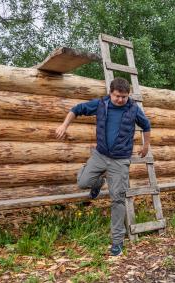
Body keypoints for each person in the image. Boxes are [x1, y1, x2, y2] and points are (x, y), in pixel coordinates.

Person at [55, 77, 151, 256]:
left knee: (117, 198)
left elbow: (146, 125)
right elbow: (76, 109)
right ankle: (98, 181)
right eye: (117, 96)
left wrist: (145, 146)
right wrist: (64, 125)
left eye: (124, 96)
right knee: (83, 182)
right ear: (110, 93)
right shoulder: (100, 104)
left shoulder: (133, 109)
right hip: (100, 155)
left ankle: (117, 241)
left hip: (120, 160)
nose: (121, 100)